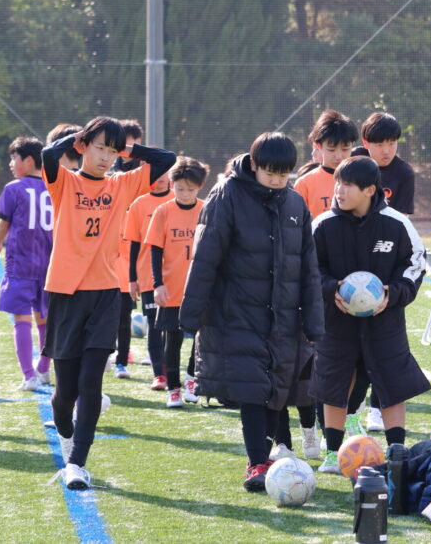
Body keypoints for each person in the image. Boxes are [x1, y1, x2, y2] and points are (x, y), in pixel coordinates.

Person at [179, 132, 323, 492]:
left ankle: (270, 455)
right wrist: (191, 313)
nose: (276, 180)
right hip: (237, 312)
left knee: (275, 388)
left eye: (283, 174)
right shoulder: (226, 195)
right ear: (254, 164)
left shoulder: (295, 203)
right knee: (253, 389)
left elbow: (308, 265)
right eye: (270, 172)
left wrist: (314, 322)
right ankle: (257, 462)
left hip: (284, 316)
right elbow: (205, 257)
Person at [42, 116, 175, 489]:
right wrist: (79, 136)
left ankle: (76, 463)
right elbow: (48, 154)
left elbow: (166, 159)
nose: (105, 157)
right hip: (67, 293)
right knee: (65, 393)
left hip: (105, 295)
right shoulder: (65, 181)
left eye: (112, 151)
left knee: (90, 382)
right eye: (99, 148)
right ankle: (66, 432)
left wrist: (127, 148)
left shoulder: (122, 183)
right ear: (83, 146)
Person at [310, 156, 430, 474]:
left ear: (369, 190)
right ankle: (333, 453)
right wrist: (331, 288)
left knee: (392, 382)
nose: (339, 190)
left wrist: (393, 294)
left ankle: (396, 451)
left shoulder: (396, 223)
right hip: (337, 322)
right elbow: (309, 268)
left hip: (385, 322)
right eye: (338, 183)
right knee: (335, 383)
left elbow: (416, 263)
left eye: (348, 185)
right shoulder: (323, 225)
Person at [349, 111, 416, 432]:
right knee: (352, 346)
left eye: (392, 143)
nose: (387, 150)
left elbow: (400, 224)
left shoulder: (403, 173)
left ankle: (378, 408)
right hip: (350, 261)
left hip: (384, 263)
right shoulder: (354, 163)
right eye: (380, 144)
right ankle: (351, 405)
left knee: (385, 345)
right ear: (366, 143)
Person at [0, 137, 54, 391]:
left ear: (28, 160)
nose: (10, 164)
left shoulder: (14, 188)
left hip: (21, 264)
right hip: (49, 265)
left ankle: (28, 375)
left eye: (14, 158)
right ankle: (44, 369)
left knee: (21, 318)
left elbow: (4, 221)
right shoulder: (54, 188)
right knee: (45, 318)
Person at [143, 157, 208, 406]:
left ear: (199, 187)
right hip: (171, 289)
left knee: (200, 339)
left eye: (190, 189)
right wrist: (157, 284)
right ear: (172, 185)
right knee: (172, 341)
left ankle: (192, 380)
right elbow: (155, 250)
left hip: (199, 289)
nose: (185, 193)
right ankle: (173, 389)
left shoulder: (206, 209)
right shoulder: (163, 211)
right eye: (180, 188)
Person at [121, 159, 174, 391]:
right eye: (155, 172)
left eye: (164, 171)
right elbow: (133, 244)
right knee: (154, 324)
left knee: (174, 328)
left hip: (176, 276)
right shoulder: (139, 204)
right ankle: (159, 374)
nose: (160, 176)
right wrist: (132, 279)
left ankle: (175, 373)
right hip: (148, 276)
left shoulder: (179, 199)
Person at [110, 119, 147, 379]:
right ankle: (117, 356)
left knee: (141, 311)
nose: (127, 148)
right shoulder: (110, 172)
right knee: (116, 313)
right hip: (115, 254)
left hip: (140, 251)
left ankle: (151, 356)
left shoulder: (146, 172)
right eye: (123, 143)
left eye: (132, 143)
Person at [293, 109, 358, 220]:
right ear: (318, 146)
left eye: (345, 149)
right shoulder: (304, 184)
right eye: (331, 150)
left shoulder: (363, 179)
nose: (338, 156)